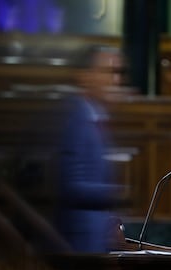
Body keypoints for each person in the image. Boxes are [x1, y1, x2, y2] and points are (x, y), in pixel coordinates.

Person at [54, 45, 124, 253]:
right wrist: (118, 194)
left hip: (94, 240)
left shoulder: (95, 114)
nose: (116, 81)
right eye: (109, 73)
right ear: (85, 76)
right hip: (78, 244)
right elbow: (69, 185)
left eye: (119, 73)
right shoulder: (74, 118)